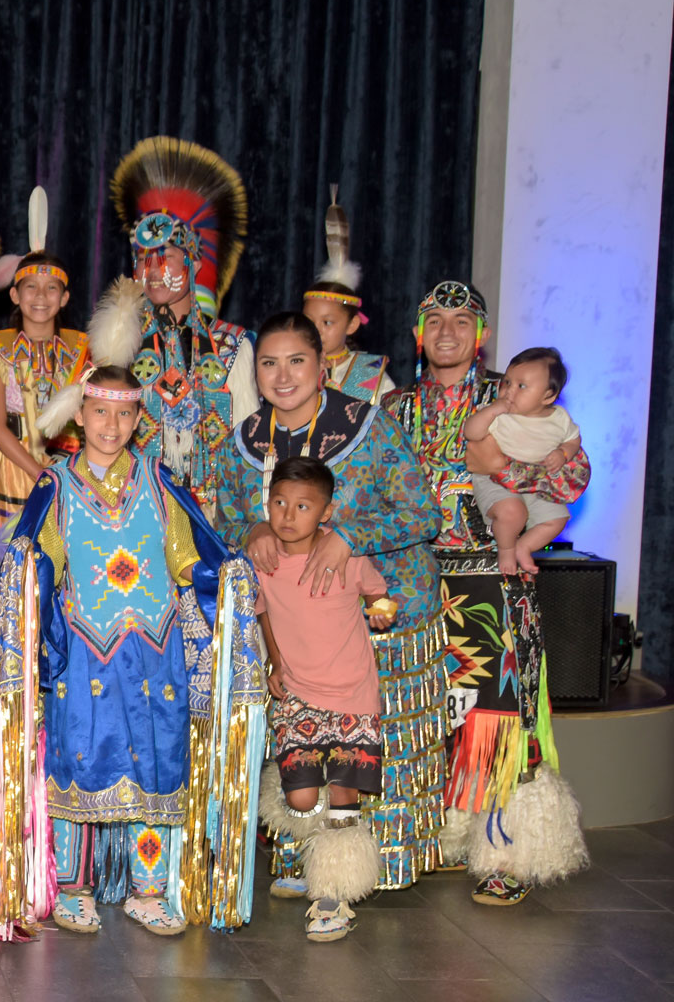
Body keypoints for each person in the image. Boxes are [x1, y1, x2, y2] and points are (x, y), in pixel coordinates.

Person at [0, 358, 265, 939]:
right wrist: (26, 576)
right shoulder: (57, 485)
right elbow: (41, 560)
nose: (111, 426)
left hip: (154, 648)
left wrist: (228, 578)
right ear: (79, 415)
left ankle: (148, 889)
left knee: (157, 759)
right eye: (99, 412)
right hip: (86, 649)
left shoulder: (160, 481)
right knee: (80, 758)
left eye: (123, 414)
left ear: (139, 417)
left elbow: (188, 557)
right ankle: (74, 887)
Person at [207, 312, 446, 894]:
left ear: (322, 366)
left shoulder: (369, 426)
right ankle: (302, 863)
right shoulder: (242, 446)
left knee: (362, 764)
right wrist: (250, 533)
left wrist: (349, 537)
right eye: (268, 362)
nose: (282, 375)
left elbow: (424, 513)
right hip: (295, 634)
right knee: (301, 757)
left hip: (382, 618)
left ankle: (372, 871)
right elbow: (225, 522)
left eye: (297, 361)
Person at [386, 282, 591, 905]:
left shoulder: (513, 394)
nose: (447, 332)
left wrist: (508, 475)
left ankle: (504, 851)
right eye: (435, 320)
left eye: (461, 320)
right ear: (419, 332)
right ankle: (431, 837)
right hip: (413, 581)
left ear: (482, 334)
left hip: (492, 578)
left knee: (499, 715)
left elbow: (576, 474)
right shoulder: (394, 407)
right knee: (416, 711)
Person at [250, 456, 394, 942]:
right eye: (279, 504)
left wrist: (379, 611)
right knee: (301, 797)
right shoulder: (263, 562)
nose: (287, 515)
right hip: (297, 699)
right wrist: (273, 661)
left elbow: (380, 594)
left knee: (343, 799)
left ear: (326, 513)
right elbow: (263, 613)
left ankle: (333, 898)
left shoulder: (346, 557)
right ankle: (304, 839)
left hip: (354, 697)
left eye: (302, 506)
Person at [108, 136, 258, 524]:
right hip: (135, 510)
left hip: (212, 513)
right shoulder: (119, 338)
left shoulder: (230, 345)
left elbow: (247, 437)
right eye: (143, 261)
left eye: (166, 259)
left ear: (191, 264)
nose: (153, 272)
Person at [0, 192, 91, 524]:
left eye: (52, 288)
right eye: (31, 287)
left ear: (65, 297)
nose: (41, 296)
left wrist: (61, 474)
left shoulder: (81, 347)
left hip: (68, 469)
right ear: (15, 294)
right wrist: (40, 473)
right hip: (13, 470)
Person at [463, 347, 586, 575]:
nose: (509, 390)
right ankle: (507, 548)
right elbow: (471, 432)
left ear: (547, 396)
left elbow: (573, 439)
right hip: (496, 480)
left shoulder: (559, 418)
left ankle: (524, 546)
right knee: (513, 512)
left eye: (521, 386)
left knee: (557, 519)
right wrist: (491, 411)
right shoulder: (500, 414)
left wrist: (563, 453)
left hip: (536, 483)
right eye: (507, 381)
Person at [303, 188, 394, 401]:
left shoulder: (372, 375)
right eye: (308, 321)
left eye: (327, 323)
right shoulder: (292, 369)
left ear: (352, 325)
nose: (316, 331)